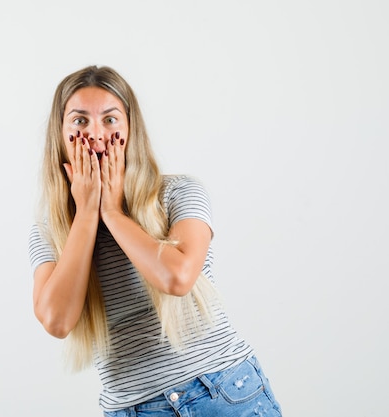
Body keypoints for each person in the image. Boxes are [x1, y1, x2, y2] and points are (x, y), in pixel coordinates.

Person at [27, 65, 282, 416]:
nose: (96, 135)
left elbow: (176, 278)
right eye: (80, 121)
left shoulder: (178, 193)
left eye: (111, 119)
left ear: (131, 129)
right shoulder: (52, 231)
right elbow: (56, 320)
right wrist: (87, 214)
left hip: (222, 394)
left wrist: (113, 213)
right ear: (60, 134)